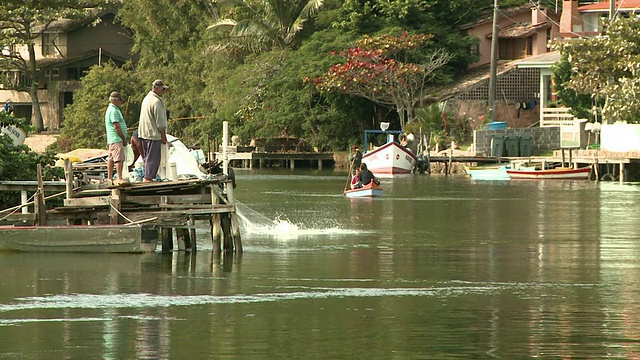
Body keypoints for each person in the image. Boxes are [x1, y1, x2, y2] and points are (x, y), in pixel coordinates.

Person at [138, 79, 169, 182]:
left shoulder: (146, 99)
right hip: (153, 134)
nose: (164, 92)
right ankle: (148, 178)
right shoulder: (156, 102)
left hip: (144, 133)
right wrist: (163, 137)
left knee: (148, 157)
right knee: (153, 158)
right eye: (162, 89)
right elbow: (160, 123)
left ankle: (148, 176)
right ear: (156, 88)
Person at [104, 91, 128, 185]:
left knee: (111, 158)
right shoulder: (113, 110)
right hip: (116, 138)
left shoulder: (111, 109)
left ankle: (109, 177)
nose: (121, 102)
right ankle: (119, 177)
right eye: (120, 100)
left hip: (112, 139)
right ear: (115, 100)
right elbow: (116, 126)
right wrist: (123, 138)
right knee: (119, 158)